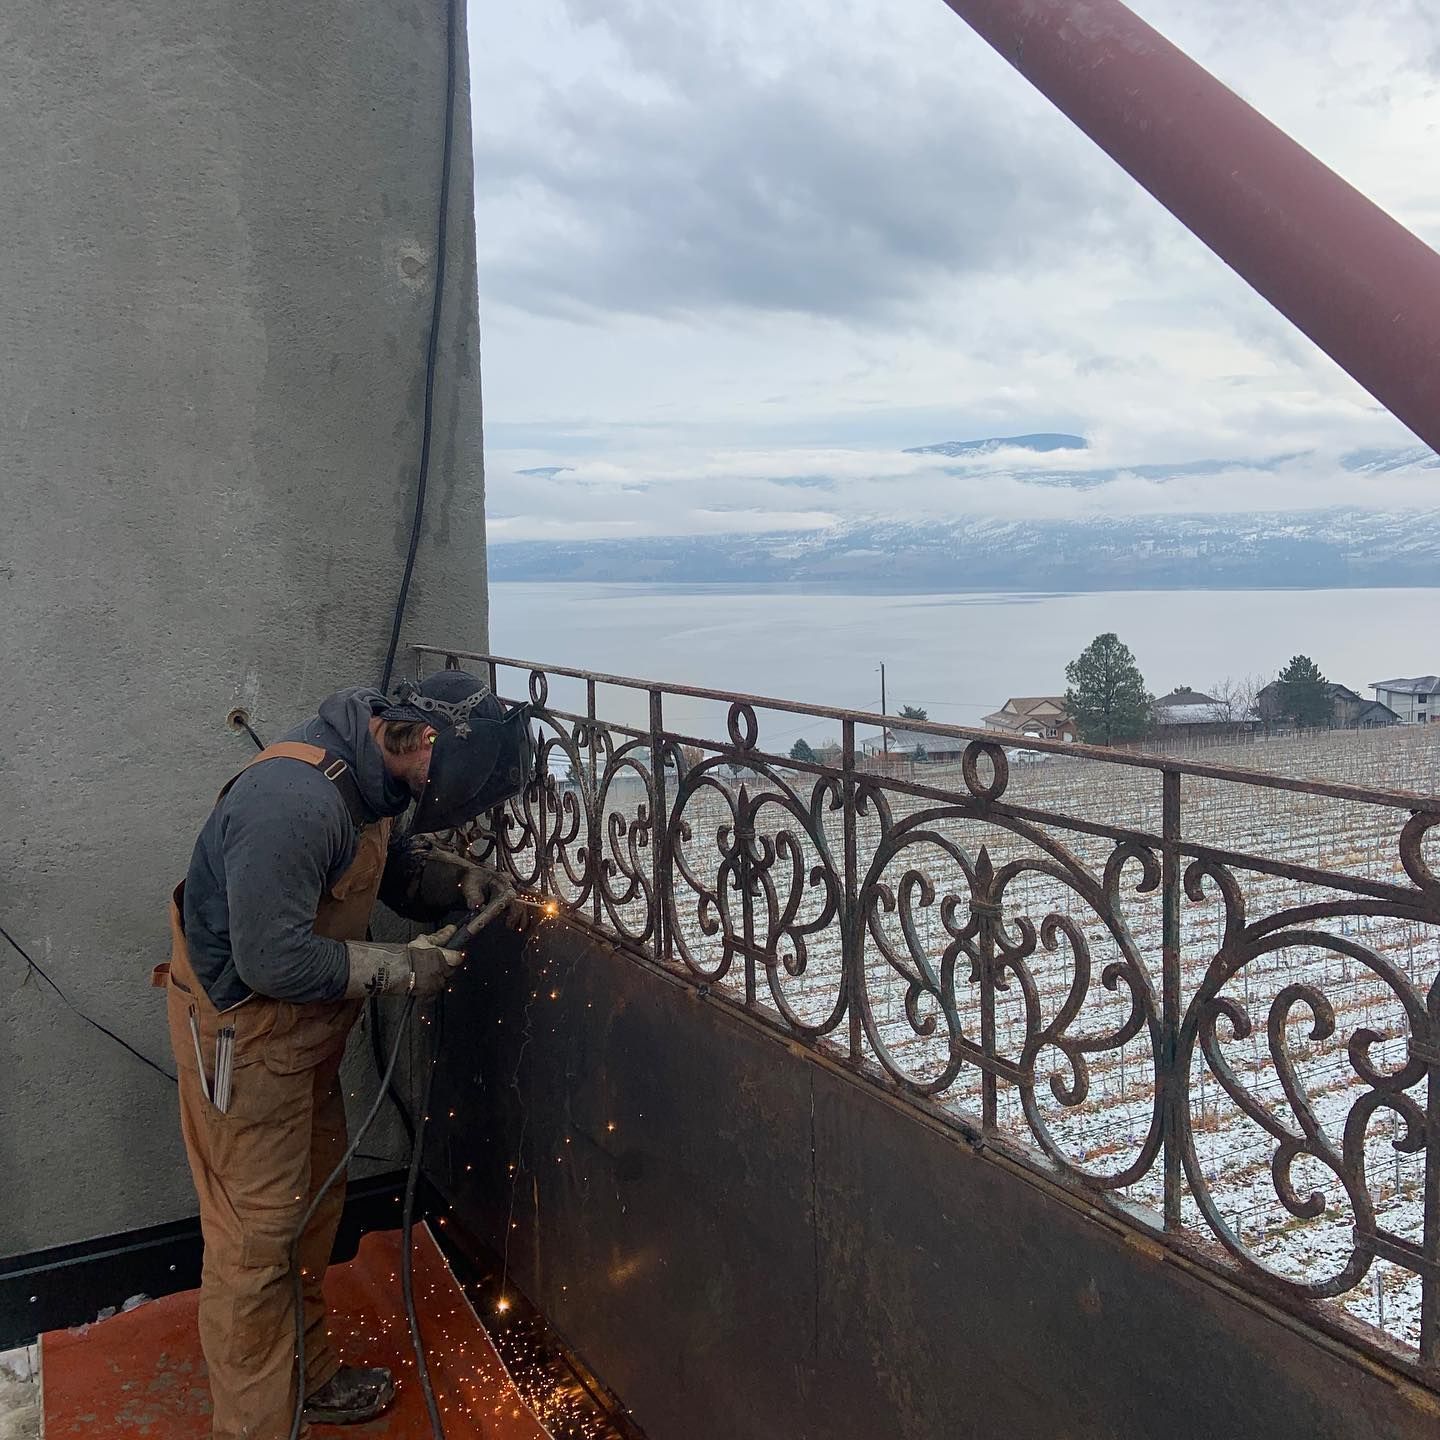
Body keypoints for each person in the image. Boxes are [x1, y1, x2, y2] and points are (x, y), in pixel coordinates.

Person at [161, 671, 532, 1439]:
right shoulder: (293, 804)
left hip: (301, 1040)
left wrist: (442, 887)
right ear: (423, 743)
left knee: (311, 1211)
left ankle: (309, 1376)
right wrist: (399, 969)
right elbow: (269, 960)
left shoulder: (370, 772)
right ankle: (255, 1428)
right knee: (257, 1242)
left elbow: (379, 870)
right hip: (250, 1034)